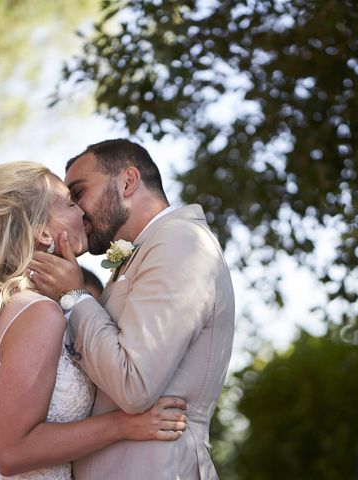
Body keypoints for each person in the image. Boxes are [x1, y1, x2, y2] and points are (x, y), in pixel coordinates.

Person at [0, 162, 187, 480]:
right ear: (43, 231)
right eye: (71, 204)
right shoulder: (37, 313)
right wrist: (126, 424)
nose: (83, 212)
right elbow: (13, 452)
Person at [30, 139, 235, 479]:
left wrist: (74, 297)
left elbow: (133, 383)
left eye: (79, 192)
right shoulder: (146, 251)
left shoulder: (180, 244)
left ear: (127, 181)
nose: (77, 211)